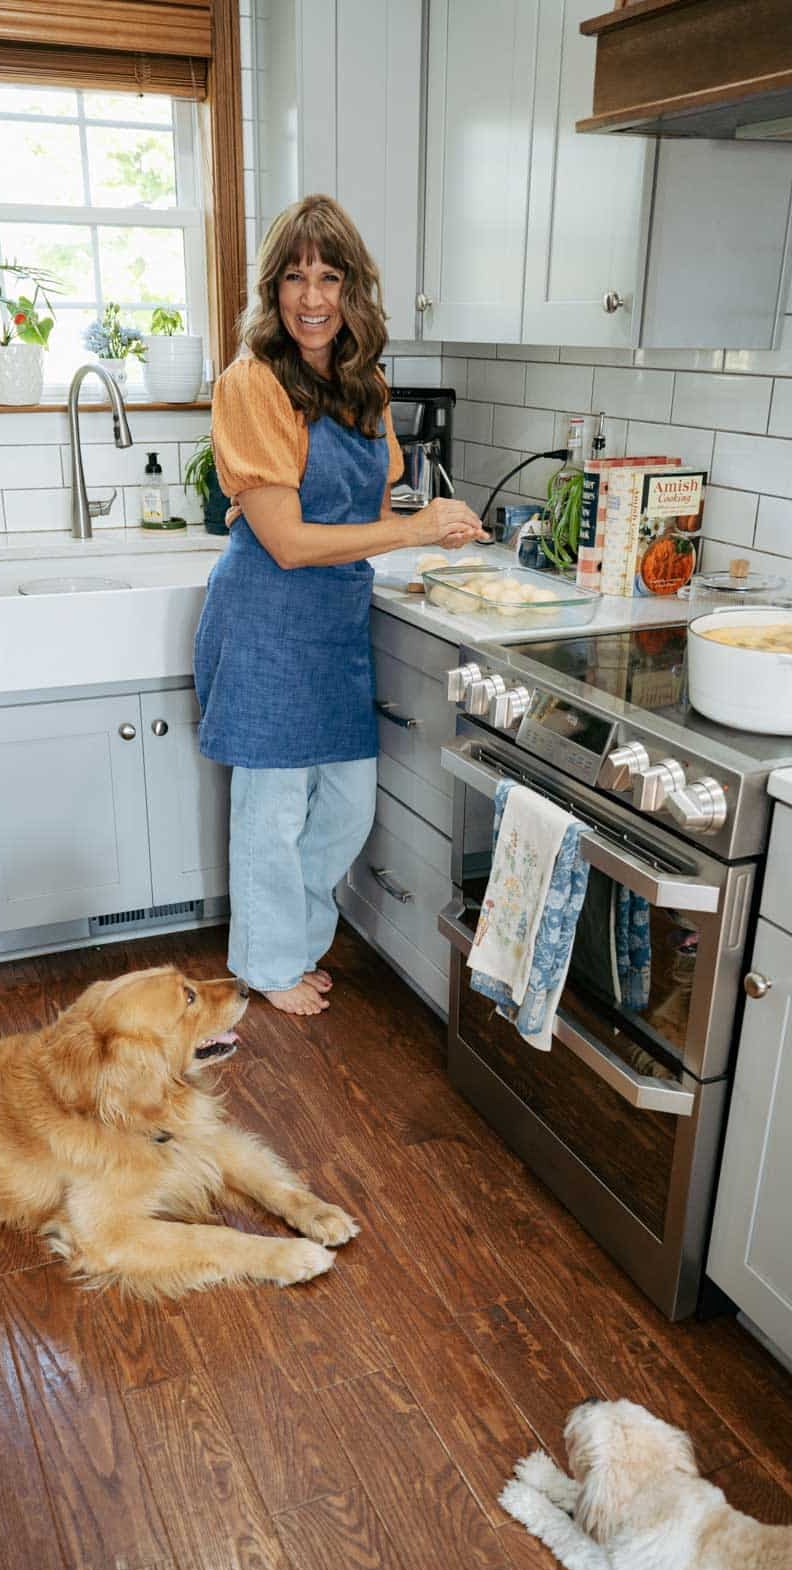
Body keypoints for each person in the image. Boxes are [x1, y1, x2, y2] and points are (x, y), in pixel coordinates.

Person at [194, 194, 486, 1017]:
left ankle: (292, 941)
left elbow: (372, 494)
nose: (312, 298)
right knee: (272, 813)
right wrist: (410, 531)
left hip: (332, 625)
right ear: (272, 289)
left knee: (349, 807)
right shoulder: (252, 382)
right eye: (295, 277)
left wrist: (423, 533)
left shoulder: (365, 384)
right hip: (268, 621)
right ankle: (265, 963)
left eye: (330, 277)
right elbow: (286, 540)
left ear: (355, 289)